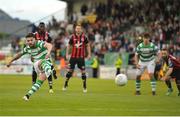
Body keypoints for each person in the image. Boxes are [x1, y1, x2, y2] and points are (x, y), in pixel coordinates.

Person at [7, 33, 53, 101]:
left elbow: (49, 45)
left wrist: (48, 52)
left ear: (35, 39)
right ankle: (51, 70)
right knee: (44, 62)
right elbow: (19, 55)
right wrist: (10, 61)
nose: (30, 42)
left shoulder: (39, 43)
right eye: (28, 41)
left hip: (44, 65)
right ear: (26, 41)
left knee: (39, 82)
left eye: (31, 40)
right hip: (38, 64)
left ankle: (27, 95)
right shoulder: (27, 48)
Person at [62, 23, 91, 93]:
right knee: (70, 71)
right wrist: (67, 54)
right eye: (77, 28)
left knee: (83, 72)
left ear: (81, 30)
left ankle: (84, 86)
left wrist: (89, 54)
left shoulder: (84, 37)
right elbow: (69, 45)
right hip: (73, 57)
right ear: (75, 29)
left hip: (81, 57)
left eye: (79, 28)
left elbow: (88, 45)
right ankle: (65, 84)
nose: (78, 30)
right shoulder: (72, 37)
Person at [33, 22, 57, 93]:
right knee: (34, 70)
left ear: (44, 27)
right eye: (40, 27)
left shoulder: (47, 35)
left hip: (46, 54)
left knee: (48, 69)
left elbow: (50, 43)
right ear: (38, 27)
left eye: (43, 27)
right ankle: (34, 85)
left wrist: (50, 50)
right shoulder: (34, 35)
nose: (42, 28)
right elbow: (30, 43)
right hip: (37, 55)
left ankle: (50, 88)